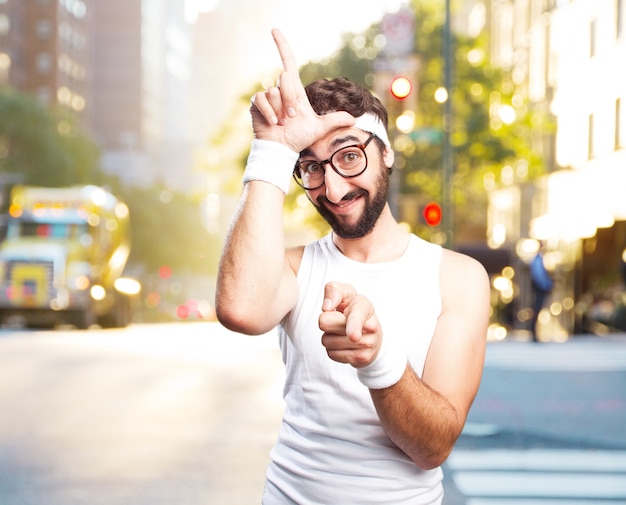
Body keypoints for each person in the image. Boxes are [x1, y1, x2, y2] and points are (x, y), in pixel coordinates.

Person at [216, 28, 490, 505]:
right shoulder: (294, 270)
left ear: (385, 152)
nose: (334, 189)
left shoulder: (458, 278)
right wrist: (272, 152)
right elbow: (240, 309)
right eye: (312, 167)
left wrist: (378, 358)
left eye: (348, 155)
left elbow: (434, 446)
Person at [529, 246, 554, 342]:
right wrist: (547, 285)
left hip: (540, 287)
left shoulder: (538, 260)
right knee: (536, 310)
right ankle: (533, 332)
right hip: (540, 288)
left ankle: (534, 332)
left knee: (537, 310)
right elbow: (539, 276)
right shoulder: (538, 260)